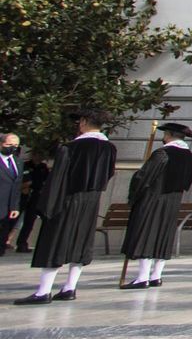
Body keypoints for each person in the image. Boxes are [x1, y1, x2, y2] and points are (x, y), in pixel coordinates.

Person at [16, 110, 116, 305]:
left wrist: (45, 206)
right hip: (91, 201)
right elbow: (108, 173)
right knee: (80, 241)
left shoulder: (71, 147)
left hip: (68, 198)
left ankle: (43, 291)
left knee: (55, 240)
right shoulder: (109, 148)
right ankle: (70, 287)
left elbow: (58, 178)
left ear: (85, 122)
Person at [121, 121, 192, 288]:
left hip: (153, 199)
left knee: (147, 234)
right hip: (173, 201)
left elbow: (144, 177)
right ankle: (156, 275)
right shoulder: (189, 156)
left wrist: (136, 179)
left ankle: (142, 277)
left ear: (168, 135)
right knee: (162, 235)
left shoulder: (163, 153)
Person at [13, 148, 51, 253]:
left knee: (29, 221)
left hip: (36, 195)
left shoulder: (43, 167)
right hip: (24, 194)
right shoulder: (26, 165)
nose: (38, 157)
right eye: (36, 154)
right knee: (13, 219)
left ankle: (22, 243)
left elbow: (46, 181)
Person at [0, 133, 22, 254]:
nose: (13, 147)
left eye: (16, 145)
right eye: (9, 144)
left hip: (8, 207)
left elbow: (17, 185)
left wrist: (15, 206)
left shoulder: (18, 162)